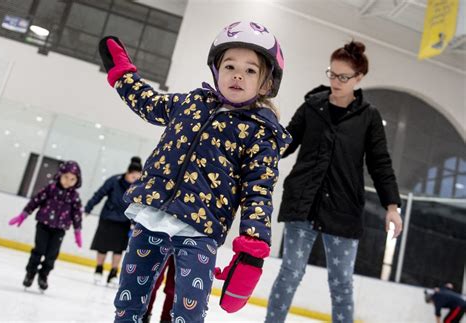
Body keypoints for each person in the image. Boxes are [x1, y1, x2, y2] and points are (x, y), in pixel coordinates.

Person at [98, 21, 291, 322]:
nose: (238, 74)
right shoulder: (191, 103)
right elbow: (149, 104)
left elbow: (259, 189)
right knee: (129, 303)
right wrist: (123, 75)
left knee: (188, 312)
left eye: (250, 70)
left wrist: (253, 245)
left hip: (200, 229)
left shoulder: (261, 133)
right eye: (229, 66)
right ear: (216, 71)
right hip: (152, 214)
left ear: (266, 83)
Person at [265, 41, 403, 323]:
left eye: (343, 77)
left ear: (359, 78)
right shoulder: (313, 106)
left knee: (340, 284)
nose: (335, 81)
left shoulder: (369, 117)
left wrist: (392, 206)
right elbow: (287, 142)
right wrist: (261, 148)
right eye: (332, 74)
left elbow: (380, 164)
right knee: (290, 272)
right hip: (303, 203)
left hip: (343, 210)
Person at [8, 161, 83, 291]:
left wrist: (77, 232)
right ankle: (30, 273)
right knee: (39, 250)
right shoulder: (51, 188)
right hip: (43, 225)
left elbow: (77, 214)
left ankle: (43, 275)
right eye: (66, 177)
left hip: (59, 229)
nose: (68, 181)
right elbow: (35, 201)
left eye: (72, 179)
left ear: (77, 181)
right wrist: (23, 215)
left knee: (52, 254)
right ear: (60, 175)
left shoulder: (74, 197)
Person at [85, 157, 142, 286]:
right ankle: (98, 269)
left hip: (125, 221)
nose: (135, 180)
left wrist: (136, 220)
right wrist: (89, 207)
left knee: (118, 249)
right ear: (128, 173)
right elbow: (99, 194)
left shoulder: (139, 187)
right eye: (133, 176)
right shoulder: (114, 180)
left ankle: (113, 273)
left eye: (137, 177)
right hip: (108, 217)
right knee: (102, 246)